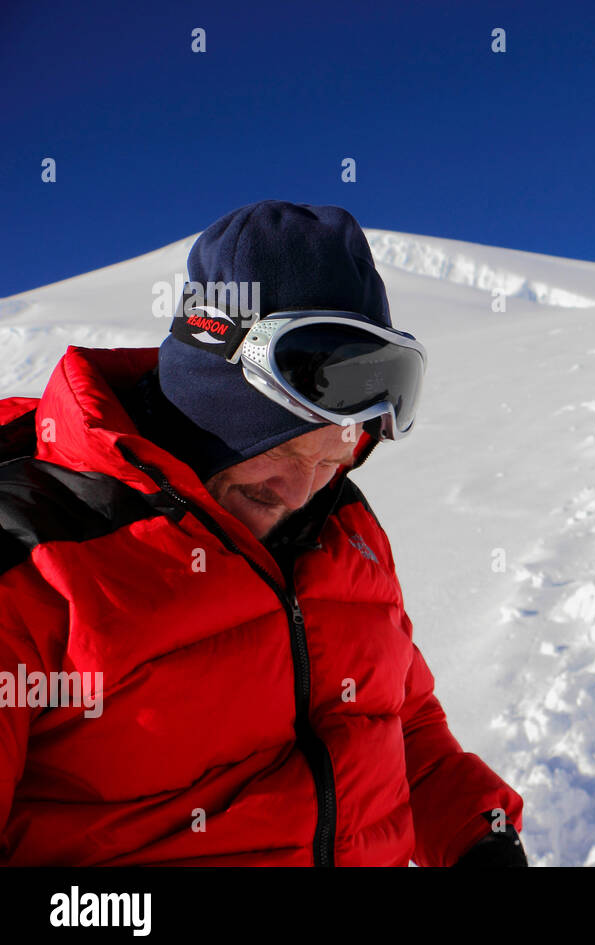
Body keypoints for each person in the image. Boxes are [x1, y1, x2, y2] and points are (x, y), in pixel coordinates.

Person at [0, 200, 526, 867]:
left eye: (333, 462)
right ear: (204, 399)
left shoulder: (344, 530)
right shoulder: (32, 554)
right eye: (279, 457)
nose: (302, 493)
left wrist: (478, 835)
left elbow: (399, 723)